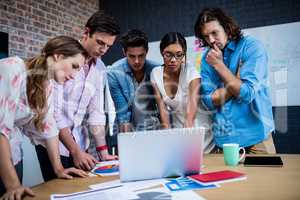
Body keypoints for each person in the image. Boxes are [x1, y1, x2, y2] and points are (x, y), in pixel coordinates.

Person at [34, 11, 120, 182]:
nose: (103, 50)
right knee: (59, 189)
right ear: (86, 33)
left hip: (81, 144)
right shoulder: (65, 57)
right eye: (100, 43)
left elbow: (96, 112)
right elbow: (53, 112)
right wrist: (75, 151)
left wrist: (103, 151)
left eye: (108, 46)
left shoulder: (101, 68)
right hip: (54, 144)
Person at [0, 36, 89, 200]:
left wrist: (59, 169)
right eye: (74, 66)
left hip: (11, 155)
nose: (74, 75)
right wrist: (13, 185)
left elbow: (49, 128)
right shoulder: (12, 68)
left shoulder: (46, 86)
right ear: (58, 56)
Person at [194, 8, 276, 154]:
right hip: (224, 142)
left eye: (214, 33)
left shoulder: (251, 47)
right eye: (206, 36)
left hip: (257, 141)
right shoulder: (207, 59)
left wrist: (219, 66)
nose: (211, 40)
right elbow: (208, 101)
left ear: (226, 27)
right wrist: (236, 81)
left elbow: (246, 93)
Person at [150, 32, 215, 153]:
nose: (173, 60)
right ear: (161, 52)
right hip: (178, 131)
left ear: (184, 54)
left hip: (199, 132)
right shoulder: (155, 73)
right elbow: (162, 110)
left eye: (179, 55)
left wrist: (186, 137)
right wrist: (168, 136)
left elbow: (191, 113)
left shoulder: (192, 73)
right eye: (168, 54)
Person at [107, 29, 160, 153]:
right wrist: (129, 146)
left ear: (146, 52)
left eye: (141, 56)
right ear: (124, 52)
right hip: (128, 132)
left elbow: (163, 106)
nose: (137, 61)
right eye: (132, 56)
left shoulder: (156, 69)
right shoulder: (114, 72)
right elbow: (122, 112)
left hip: (155, 132)